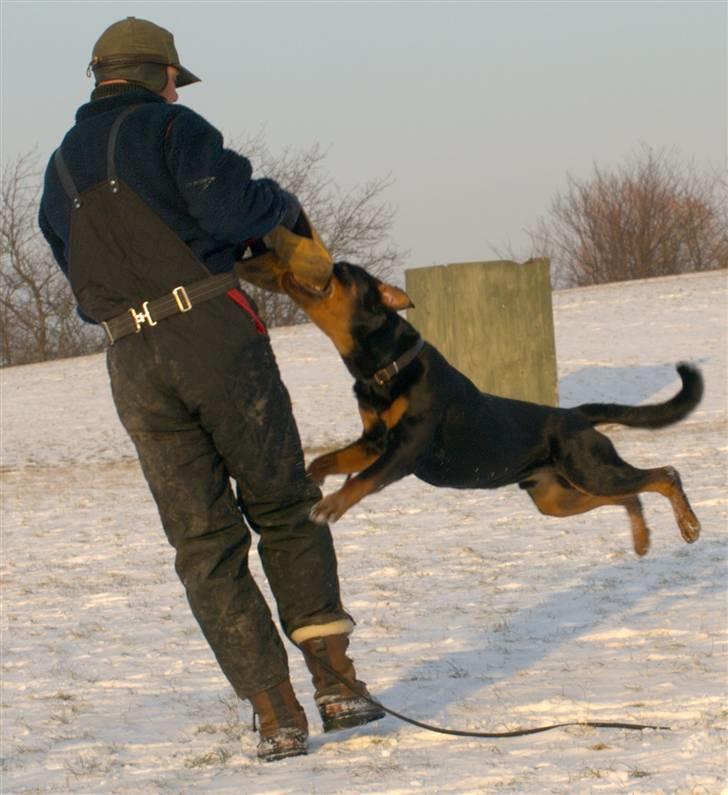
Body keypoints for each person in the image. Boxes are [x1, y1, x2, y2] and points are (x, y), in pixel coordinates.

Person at [39, 16, 383, 763]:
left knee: (202, 543)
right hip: (211, 337)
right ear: (161, 76)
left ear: (100, 78)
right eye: (174, 78)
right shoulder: (172, 128)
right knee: (284, 505)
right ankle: (337, 685)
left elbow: (77, 281)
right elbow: (234, 209)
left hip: (130, 359)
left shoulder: (58, 169)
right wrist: (279, 206)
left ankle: (274, 713)